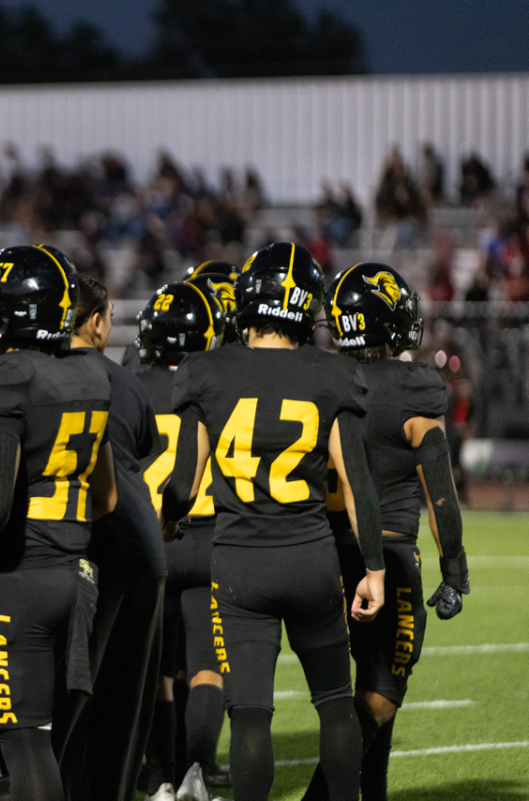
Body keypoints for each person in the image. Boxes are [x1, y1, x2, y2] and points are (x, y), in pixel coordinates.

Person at [161, 243, 387, 801]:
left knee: (251, 715)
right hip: (312, 558)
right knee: (334, 701)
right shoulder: (332, 373)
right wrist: (375, 568)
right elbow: (357, 483)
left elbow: (184, 484)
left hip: (240, 566)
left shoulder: (207, 370)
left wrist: (169, 521)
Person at [0, 245, 116, 801]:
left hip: (15, 580)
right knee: (44, 736)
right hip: (74, 573)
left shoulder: (0, 378)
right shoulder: (90, 373)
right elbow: (106, 498)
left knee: (23, 744)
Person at [303, 264, 468, 801]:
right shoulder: (414, 386)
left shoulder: (322, 377)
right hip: (386, 556)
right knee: (379, 695)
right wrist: (454, 568)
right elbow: (439, 488)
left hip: (319, 554)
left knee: (361, 688)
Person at [57, 274, 169, 801]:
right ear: (98, 321)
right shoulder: (123, 381)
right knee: (124, 701)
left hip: (69, 541)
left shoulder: (40, 370)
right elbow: (143, 444)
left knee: (67, 691)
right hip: (136, 543)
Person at [135, 280, 230, 801]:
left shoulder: (131, 384)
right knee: (208, 666)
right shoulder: (219, 382)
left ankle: (159, 777)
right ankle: (198, 767)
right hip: (211, 535)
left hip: (152, 539)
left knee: (155, 672)